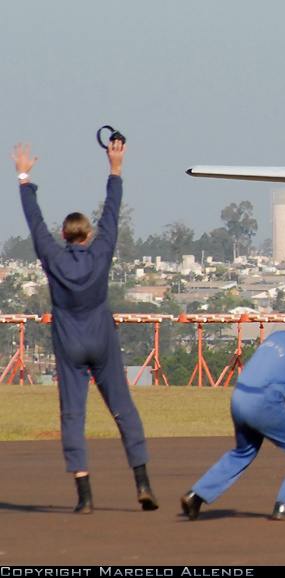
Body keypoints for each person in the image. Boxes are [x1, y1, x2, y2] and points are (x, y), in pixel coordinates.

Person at [13, 140, 157, 514]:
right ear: (88, 235)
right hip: (101, 337)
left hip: (69, 340)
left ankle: (84, 495)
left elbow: (35, 223)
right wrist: (115, 168)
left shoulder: (54, 257)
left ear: (64, 236)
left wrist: (24, 176)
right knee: (123, 407)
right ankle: (142, 481)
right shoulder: (100, 251)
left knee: (73, 415)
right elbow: (112, 213)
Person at [180, 304, 285, 521]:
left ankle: (196, 495)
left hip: (239, 398)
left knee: (244, 451)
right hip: (265, 403)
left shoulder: (276, 338)